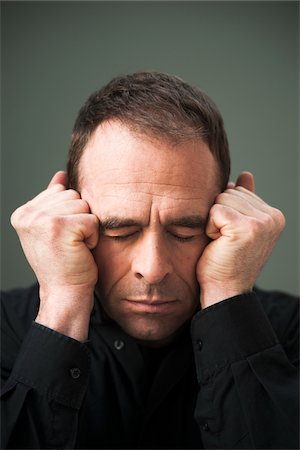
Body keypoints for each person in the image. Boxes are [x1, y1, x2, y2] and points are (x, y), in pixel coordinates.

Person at [1, 72, 298, 450]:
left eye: (185, 232)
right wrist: (62, 301)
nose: (153, 268)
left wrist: (227, 292)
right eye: (120, 232)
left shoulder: (290, 334)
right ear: (67, 212)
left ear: (230, 213)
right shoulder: (6, 330)